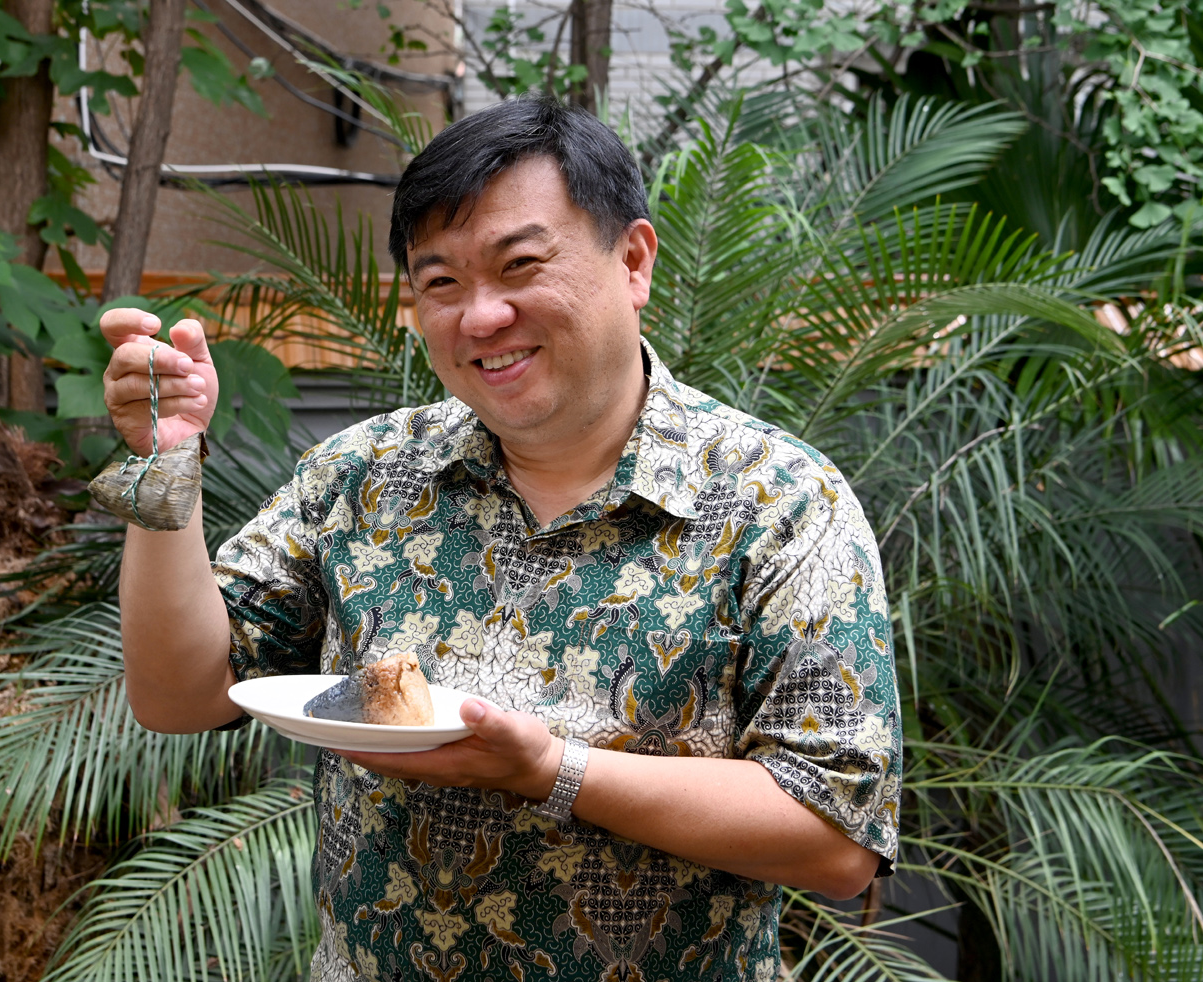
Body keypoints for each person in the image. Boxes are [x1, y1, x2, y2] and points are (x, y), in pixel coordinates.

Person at [99, 97, 901, 982]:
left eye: (521, 265)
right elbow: (180, 695)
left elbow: (837, 838)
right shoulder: (364, 476)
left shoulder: (779, 500)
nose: (480, 317)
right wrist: (165, 465)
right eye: (441, 283)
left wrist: (554, 772)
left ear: (634, 261)